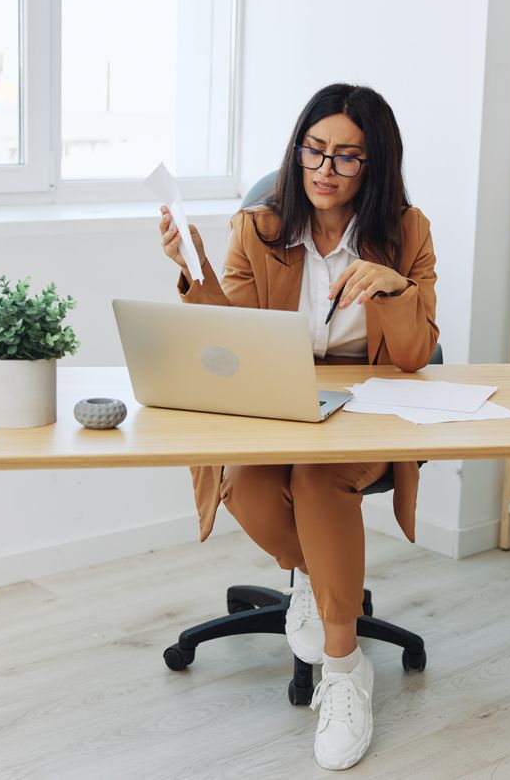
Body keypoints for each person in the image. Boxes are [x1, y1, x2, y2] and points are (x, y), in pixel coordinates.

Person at [158, 83, 438, 771]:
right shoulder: (259, 227)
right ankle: (315, 577)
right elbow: (231, 339)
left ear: (374, 165)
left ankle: (345, 675)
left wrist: (396, 290)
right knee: (246, 487)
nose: (324, 169)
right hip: (279, 402)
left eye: (346, 157)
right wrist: (193, 271)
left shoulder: (407, 232)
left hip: (367, 410)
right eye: (314, 150)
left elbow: (413, 356)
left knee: (317, 481)